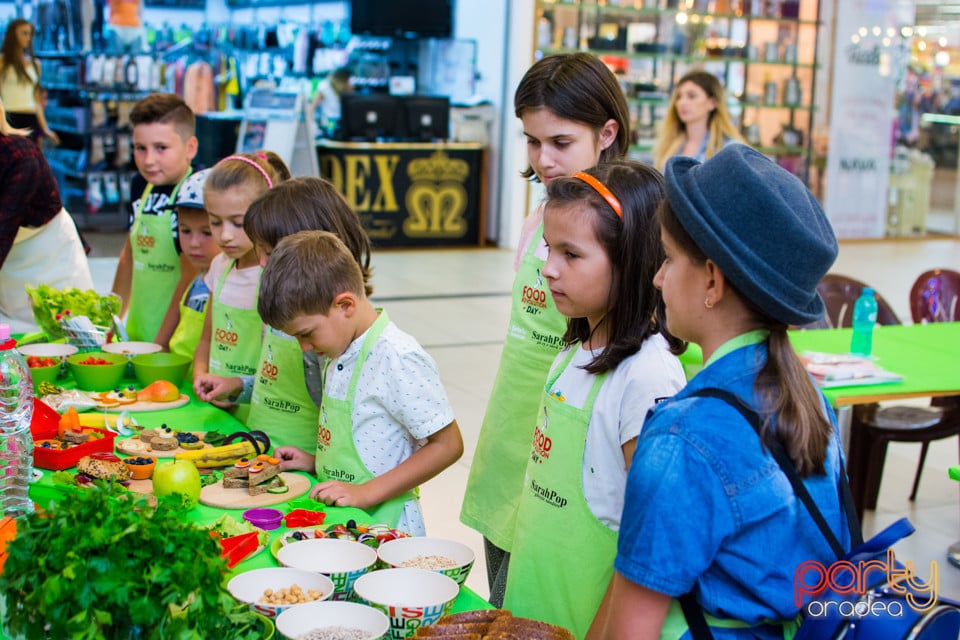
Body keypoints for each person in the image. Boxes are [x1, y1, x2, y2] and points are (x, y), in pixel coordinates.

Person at [591, 145, 852, 639]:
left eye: (667, 259)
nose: (657, 277)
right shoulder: (813, 400)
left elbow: (631, 630)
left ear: (712, 279)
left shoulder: (681, 436)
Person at [460, 51, 631, 607]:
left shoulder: (632, 225)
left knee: (551, 605)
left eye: (560, 142)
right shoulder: (540, 217)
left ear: (607, 133)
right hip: (513, 432)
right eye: (532, 142)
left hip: (576, 450)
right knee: (504, 599)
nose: (544, 159)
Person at [500, 161, 687, 638]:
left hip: (589, 621)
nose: (548, 267)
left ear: (632, 261)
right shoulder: (574, 348)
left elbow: (653, 541)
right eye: (548, 247)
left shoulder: (648, 376)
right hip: (540, 600)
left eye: (572, 254)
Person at [258, 230, 464, 536]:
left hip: (386, 527)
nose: (303, 347)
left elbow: (448, 446)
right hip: (344, 521)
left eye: (306, 334)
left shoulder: (397, 357)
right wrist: (316, 463)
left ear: (345, 306)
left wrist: (365, 492)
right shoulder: (339, 345)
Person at [197, 176, 374, 452]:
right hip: (265, 451)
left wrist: (316, 462)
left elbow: (346, 415)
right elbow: (279, 383)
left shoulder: (331, 326)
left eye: (271, 253)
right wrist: (237, 386)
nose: (263, 263)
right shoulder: (287, 308)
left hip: (304, 466)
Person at [192, 151, 288, 423]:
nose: (224, 235)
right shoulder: (219, 266)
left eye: (238, 222)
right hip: (216, 405)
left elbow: (281, 365)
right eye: (214, 221)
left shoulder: (273, 275)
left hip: (257, 412)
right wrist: (201, 376)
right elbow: (205, 338)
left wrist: (236, 385)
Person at [110, 93, 198, 343]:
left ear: (190, 147)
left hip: (175, 342)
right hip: (137, 334)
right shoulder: (140, 185)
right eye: (140, 148)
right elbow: (130, 255)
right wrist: (111, 321)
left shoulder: (195, 195)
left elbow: (190, 277)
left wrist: (161, 343)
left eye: (161, 148)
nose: (149, 160)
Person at [0, 97, 91, 332]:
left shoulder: (20, 156)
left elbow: (4, 228)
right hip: (10, 264)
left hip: (50, 256)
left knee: (64, 336)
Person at [154, 168, 220, 376]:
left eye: (206, 233)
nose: (193, 244)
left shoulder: (229, 285)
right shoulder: (195, 278)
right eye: (185, 230)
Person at [652, 70, 745, 170]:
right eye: (679, 97)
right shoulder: (669, 145)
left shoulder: (728, 149)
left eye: (692, 96)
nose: (682, 102)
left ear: (712, 103)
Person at [0, 19, 58, 148]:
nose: (28, 37)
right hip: (9, 119)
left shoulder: (35, 64)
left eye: (30, 34)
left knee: (32, 165)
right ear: (13, 35)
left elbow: (36, 101)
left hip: (31, 119)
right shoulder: (2, 62)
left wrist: (45, 128)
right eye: (24, 33)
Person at [312, 67, 352, 134]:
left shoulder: (344, 88)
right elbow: (313, 107)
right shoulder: (324, 86)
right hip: (330, 121)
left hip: (343, 121)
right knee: (331, 133)